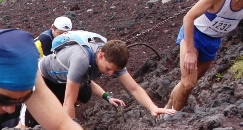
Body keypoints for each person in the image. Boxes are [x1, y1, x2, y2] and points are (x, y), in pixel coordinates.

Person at [32, 32, 175, 123]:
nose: (111, 74)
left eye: (115, 71)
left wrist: (153, 107)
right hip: (40, 76)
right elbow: (69, 101)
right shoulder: (81, 59)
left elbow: (134, 88)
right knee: (37, 120)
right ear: (101, 55)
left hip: (63, 79)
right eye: (109, 69)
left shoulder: (113, 60)